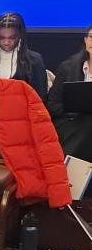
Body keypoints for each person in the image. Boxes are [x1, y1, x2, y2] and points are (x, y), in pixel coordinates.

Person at [0, 12, 47, 100]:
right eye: (1, 38)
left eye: (12, 38)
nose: (6, 42)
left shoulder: (34, 61)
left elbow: (40, 98)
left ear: (20, 36)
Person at [47, 24, 92, 162]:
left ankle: (66, 168)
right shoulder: (68, 67)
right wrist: (73, 108)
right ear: (85, 40)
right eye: (91, 37)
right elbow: (52, 104)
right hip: (70, 122)